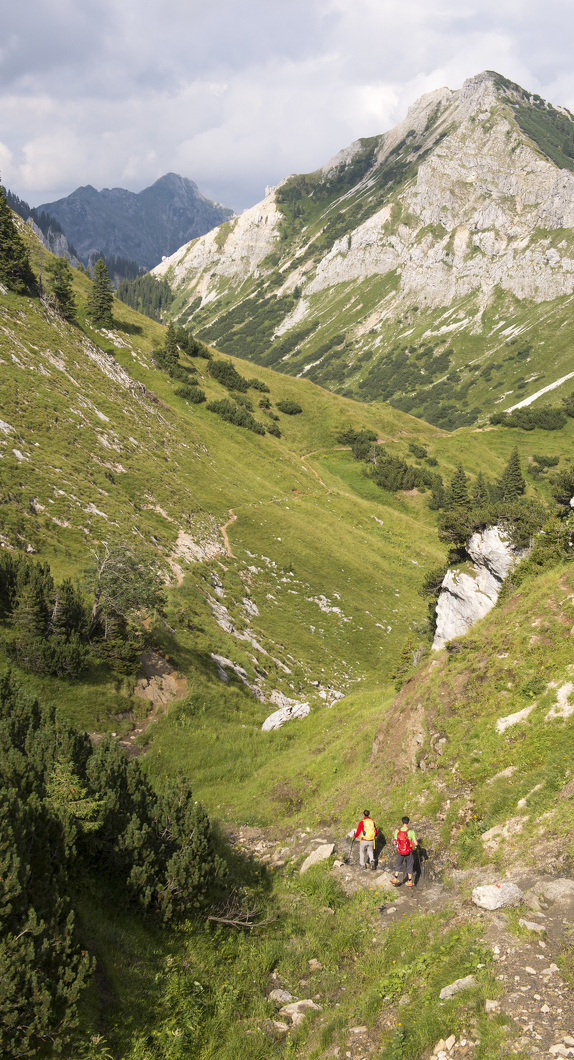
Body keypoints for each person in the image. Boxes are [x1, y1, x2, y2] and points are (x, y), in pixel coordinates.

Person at [392, 815, 417, 887]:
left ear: (402, 822)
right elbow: (416, 843)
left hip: (400, 851)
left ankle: (395, 878)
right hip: (408, 851)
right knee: (409, 865)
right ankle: (410, 882)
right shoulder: (411, 832)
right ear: (408, 823)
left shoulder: (398, 831)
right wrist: (417, 846)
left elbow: (394, 842)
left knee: (399, 864)